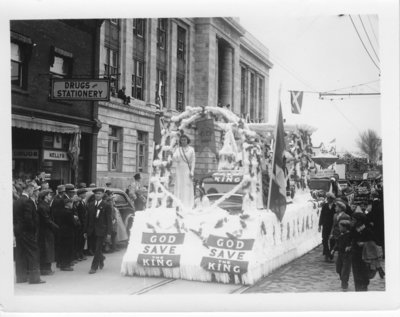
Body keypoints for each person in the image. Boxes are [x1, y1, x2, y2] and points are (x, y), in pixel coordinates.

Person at [13, 182, 45, 284]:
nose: (35, 191)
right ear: (29, 189)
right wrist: (33, 230)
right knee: (33, 253)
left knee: (20, 253)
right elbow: (29, 219)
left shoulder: (17, 201)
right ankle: (34, 278)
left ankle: (21, 277)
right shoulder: (28, 201)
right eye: (34, 189)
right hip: (27, 232)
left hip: (18, 231)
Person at [85, 188, 112, 274]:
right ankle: (101, 258)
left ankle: (94, 267)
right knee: (94, 248)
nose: (97, 195)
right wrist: (85, 231)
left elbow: (109, 220)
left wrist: (109, 233)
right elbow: (87, 219)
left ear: (103, 195)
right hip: (91, 230)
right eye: (96, 194)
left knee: (97, 249)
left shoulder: (106, 205)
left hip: (101, 230)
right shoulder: (90, 204)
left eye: (99, 194)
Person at [350, 211, 376, 291]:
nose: (352, 221)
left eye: (353, 220)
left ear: (359, 221)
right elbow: (351, 239)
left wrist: (364, 244)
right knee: (357, 277)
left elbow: (374, 245)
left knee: (364, 277)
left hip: (365, 258)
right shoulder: (353, 230)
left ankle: (364, 290)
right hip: (355, 257)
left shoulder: (368, 231)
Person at [37, 189, 59, 275]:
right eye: (49, 195)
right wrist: (56, 227)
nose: (50, 196)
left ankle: (47, 268)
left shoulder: (45, 205)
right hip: (44, 231)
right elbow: (46, 219)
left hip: (47, 230)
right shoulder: (42, 206)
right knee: (46, 250)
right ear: (45, 196)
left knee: (48, 249)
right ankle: (45, 269)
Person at [172, 134, 195, 211]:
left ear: (187, 140)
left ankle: (188, 205)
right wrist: (173, 152)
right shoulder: (178, 149)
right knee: (179, 186)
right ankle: (178, 204)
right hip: (179, 170)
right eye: (182, 140)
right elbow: (174, 158)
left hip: (187, 170)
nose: (183, 141)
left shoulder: (191, 149)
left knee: (187, 187)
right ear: (180, 141)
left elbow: (193, 162)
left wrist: (192, 171)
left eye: (185, 140)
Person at [333, 220, 353, 291]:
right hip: (340, 254)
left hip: (347, 255)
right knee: (338, 269)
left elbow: (353, 243)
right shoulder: (340, 235)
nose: (339, 228)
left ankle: (344, 283)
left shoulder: (350, 235)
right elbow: (337, 243)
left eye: (341, 227)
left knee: (345, 270)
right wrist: (333, 250)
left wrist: (350, 246)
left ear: (345, 227)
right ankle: (343, 279)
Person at [318, 192, 336, 262]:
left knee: (332, 240)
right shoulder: (325, 206)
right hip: (325, 225)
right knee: (324, 240)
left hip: (332, 225)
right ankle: (326, 254)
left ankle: (331, 254)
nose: (328, 200)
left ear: (332, 199)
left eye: (330, 198)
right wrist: (320, 225)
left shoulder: (335, 206)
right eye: (327, 198)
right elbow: (321, 215)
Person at [74, 188, 88, 261]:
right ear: (80, 194)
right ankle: (78, 254)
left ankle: (81, 253)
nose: (85, 194)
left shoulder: (83, 202)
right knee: (79, 240)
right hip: (80, 224)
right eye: (84, 193)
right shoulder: (78, 202)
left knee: (82, 239)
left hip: (84, 223)